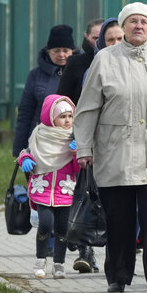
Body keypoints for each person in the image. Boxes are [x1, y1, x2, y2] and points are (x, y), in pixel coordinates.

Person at [74, 3, 147, 293]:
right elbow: (87, 109)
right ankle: (118, 275)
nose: (138, 26)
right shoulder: (105, 60)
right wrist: (84, 147)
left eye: (143, 22)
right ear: (123, 26)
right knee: (118, 217)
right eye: (132, 21)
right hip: (115, 150)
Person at [55, 17, 104, 274]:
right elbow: (62, 100)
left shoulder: (118, 62)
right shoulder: (77, 64)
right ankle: (86, 249)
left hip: (109, 139)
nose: (100, 43)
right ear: (86, 39)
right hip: (79, 139)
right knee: (85, 193)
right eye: (95, 38)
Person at [16, 94, 80, 279]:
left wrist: (76, 153)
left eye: (70, 116)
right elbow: (27, 152)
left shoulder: (73, 138)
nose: (67, 120)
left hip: (64, 190)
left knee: (62, 229)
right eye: (62, 116)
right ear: (51, 117)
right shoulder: (40, 135)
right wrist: (25, 160)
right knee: (45, 224)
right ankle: (40, 260)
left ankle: (59, 264)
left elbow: (78, 169)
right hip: (42, 189)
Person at [12, 24, 76, 158]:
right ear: (48, 51)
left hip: (72, 141)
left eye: (65, 50)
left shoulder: (81, 72)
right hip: (41, 143)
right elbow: (26, 112)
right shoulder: (35, 75)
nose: (61, 55)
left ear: (73, 51)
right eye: (56, 50)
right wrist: (20, 148)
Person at [56, 18, 103, 105]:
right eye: (95, 38)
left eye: (102, 38)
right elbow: (63, 98)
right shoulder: (75, 63)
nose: (99, 42)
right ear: (86, 36)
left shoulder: (120, 62)